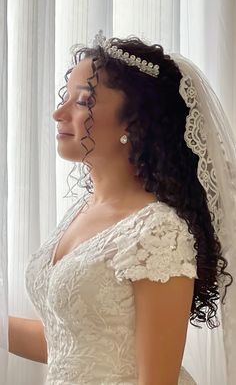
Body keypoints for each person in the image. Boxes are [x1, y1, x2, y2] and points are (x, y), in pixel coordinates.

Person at [9, 32, 236, 384]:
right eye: (64, 97)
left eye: (83, 100)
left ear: (135, 121)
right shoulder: (81, 211)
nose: (58, 113)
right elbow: (73, 345)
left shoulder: (158, 231)